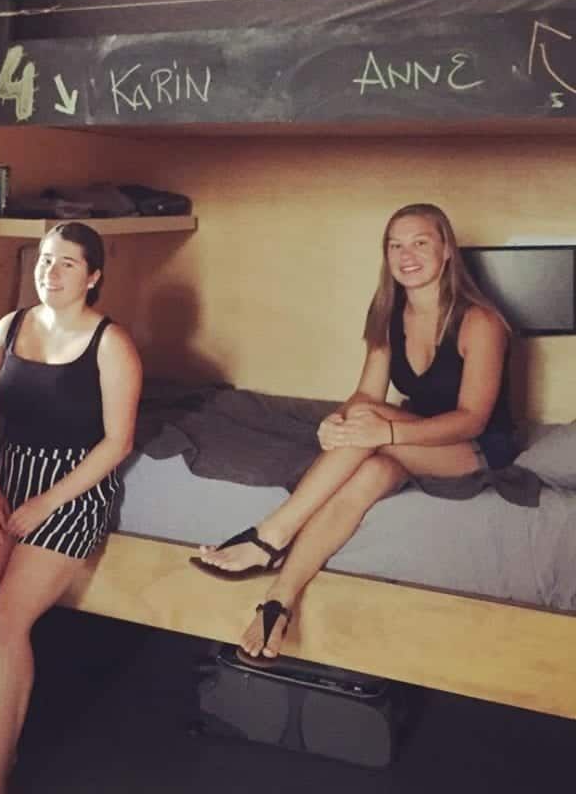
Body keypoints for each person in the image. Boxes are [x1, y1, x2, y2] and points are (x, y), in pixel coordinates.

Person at [193, 203, 534, 661]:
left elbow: (472, 418)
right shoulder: (388, 313)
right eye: (395, 245)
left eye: (420, 242)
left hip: (475, 446)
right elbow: (365, 395)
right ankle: (279, 599)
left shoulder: (480, 323)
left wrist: (381, 432)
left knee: (368, 435)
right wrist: (336, 421)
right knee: (365, 473)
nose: (406, 254)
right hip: (412, 437)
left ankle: (270, 535)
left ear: (447, 249)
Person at [0, 222, 142, 794]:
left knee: (8, 619)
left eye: (66, 264)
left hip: (75, 489)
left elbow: (117, 443)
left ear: (94, 276)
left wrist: (44, 504)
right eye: (44, 260)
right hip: (5, 480)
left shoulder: (112, 343)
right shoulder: (8, 328)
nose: (49, 273)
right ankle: (4, 741)